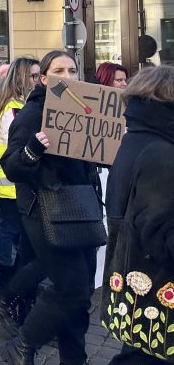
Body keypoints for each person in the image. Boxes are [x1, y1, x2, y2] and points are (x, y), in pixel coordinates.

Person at [0, 51, 101, 365]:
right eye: (58, 70)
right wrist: (33, 150)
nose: (67, 75)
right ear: (43, 78)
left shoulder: (82, 109)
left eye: (72, 69)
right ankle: (23, 344)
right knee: (71, 287)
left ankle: (74, 357)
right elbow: (12, 165)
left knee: (81, 291)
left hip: (80, 208)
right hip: (46, 210)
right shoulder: (34, 113)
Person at [102, 65, 174, 364]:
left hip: (136, 276)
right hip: (157, 281)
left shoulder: (136, 140)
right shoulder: (161, 152)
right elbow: (159, 228)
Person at [0, 58, 39, 293]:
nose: (38, 81)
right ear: (21, 78)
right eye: (34, 76)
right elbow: (15, 144)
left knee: (16, 229)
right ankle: (5, 277)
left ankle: (15, 274)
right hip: (10, 181)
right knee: (10, 229)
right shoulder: (13, 107)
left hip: (11, 180)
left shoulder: (14, 103)